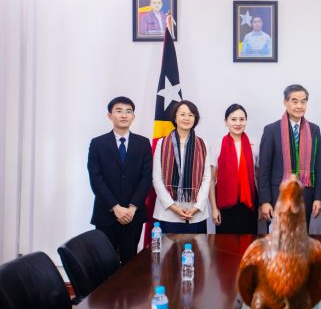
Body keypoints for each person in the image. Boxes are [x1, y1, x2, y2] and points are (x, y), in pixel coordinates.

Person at [87, 96, 152, 264]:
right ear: (110, 115)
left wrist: (132, 207)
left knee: (130, 263)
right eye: (119, 111)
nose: (124, 115)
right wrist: (115, 207)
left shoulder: (143, 143)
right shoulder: (97, 143)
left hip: (133, 215)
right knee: (105, 264)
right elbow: (96, 179)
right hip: (106, 214)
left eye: (128, 112)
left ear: (133, 116)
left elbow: (146, 177)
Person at [258, 84, 321, 228]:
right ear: (285, 102)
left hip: (305, 196)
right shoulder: (271, 130)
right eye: (295, 101)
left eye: (303, 101)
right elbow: (264, 170)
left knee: (300, 236)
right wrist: (265, 201)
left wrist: (318, 197)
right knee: (279, 237)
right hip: (278, 196)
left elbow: (319, 166)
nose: (299, 106)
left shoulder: (314, 130)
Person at [152, 100, 211, 233]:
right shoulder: (162, 143)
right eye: (182, 114)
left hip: (196, 212)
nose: (186, 118)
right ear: (175, 117)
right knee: (169, 247)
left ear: (195, 118)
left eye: (191, 115)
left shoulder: (202, 144)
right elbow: (157, 178)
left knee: (196, 246)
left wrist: (197, 207)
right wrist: (173, 207)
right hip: (168, 212)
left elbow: (207, 177)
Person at [209, 104, 259, 234]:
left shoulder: (254, 143)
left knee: (249, 242)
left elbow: (259, 177)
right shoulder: (217, 144)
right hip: (225, 204)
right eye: (233, 119)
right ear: (226, 121)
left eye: (242, 119)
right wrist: (214, 208)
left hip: (249, 203)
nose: (238, 123)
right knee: (225, 244)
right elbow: (211, 179)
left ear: (246, 121)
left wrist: (260, 205)